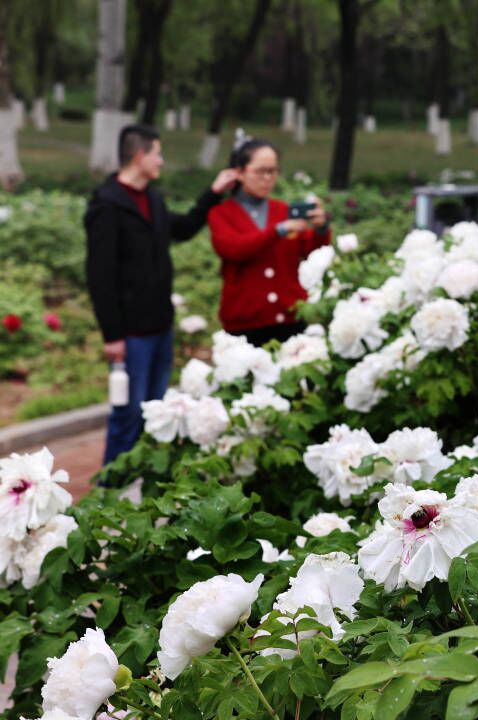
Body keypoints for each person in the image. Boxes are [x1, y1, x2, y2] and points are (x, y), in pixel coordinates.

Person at [85, 124, 239, 466]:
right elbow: (100, 277)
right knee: (126, 419)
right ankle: (106, 501)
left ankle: (139, 500)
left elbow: (182, 229)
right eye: (157, 153)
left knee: (155, 418)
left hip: (160, 327)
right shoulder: (107, 206)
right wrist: (112, 335)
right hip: (131, 336)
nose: (161, 160)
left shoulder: (151, 199)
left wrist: (213, 193)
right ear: (139, 156)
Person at [207, 136, 330, 347]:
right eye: (260, 171)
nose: (267, 178)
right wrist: (278, 230)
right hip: (245, 323)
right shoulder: (221, 213)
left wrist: (320, 229)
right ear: (240, 172)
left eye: (272, 171)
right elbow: (233, 249)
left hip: (290, 316)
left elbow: (313, 254)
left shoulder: (283, 210)